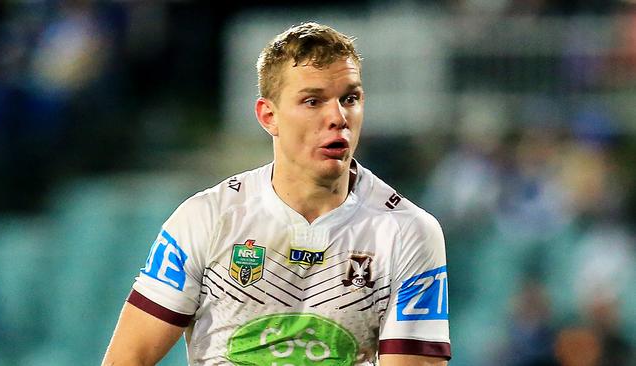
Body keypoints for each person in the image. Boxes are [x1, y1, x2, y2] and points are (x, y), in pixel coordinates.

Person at [102, 21, 451, 366]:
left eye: (350, 98)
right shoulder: (207, 218)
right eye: (313, 101)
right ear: (269, 116)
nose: (338, 117)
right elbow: (128, 358)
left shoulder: (408, 232)